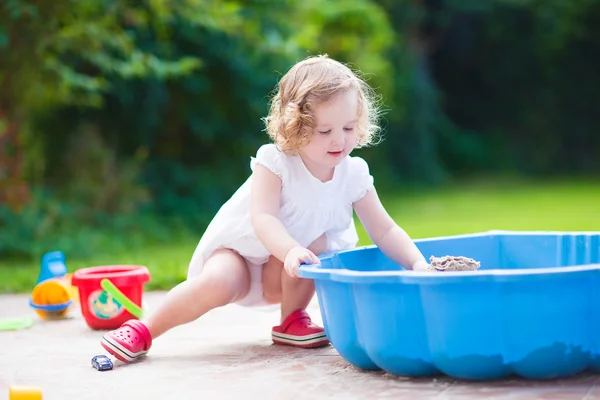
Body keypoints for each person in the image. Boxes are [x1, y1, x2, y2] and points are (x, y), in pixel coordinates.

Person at [100, 54, 430, 363]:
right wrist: (287, 249)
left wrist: (417, 263)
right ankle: (144, 331)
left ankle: (290, 320)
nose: (339, 141)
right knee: (217, 282)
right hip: (242, 253)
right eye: (325, 131)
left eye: (347, 128)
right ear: (296, 126)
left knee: (317, 243)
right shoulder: (276, 162)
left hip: (286, 273)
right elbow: (263, 217)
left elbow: (384, 229)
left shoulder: (353, 173)